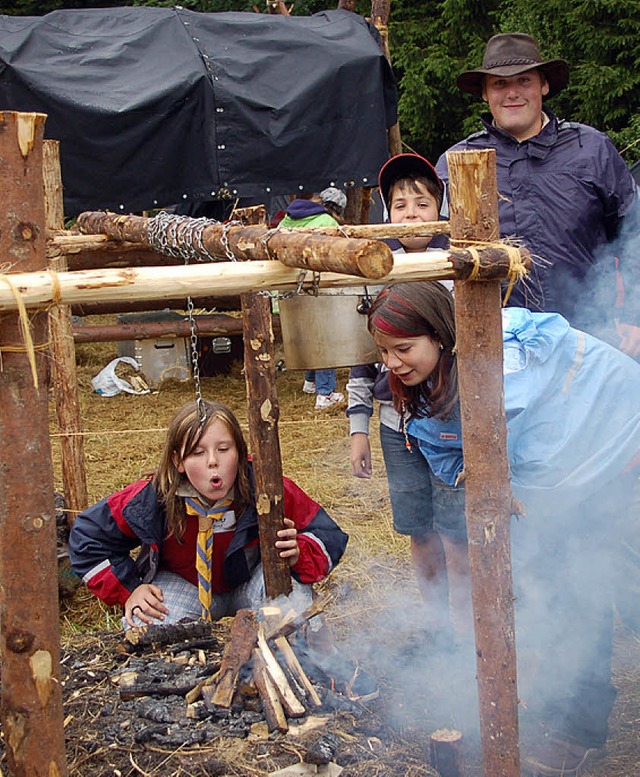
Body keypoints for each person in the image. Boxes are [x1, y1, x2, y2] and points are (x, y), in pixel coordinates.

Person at [367, 279, 640, 775]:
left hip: (621, 444)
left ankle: (574, 723)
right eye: (383, 351)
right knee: (575, 583)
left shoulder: (505, 364)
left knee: (608, 577)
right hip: (575, 471)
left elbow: (534, 452)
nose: (392, 363)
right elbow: (449, 454)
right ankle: (575, 718)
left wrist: (507, 490)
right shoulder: (430, 386)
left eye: (404, 348)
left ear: (442, 336)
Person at [435, 32, 640, 357]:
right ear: (485, 93)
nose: (512, 92)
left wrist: (634, 315)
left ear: (544, 85)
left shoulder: (591, 150)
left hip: (588, 336)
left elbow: (635, 233)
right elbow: (437, 253)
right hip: (496, 345)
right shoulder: (458, 164)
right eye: (500, 84)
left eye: (524, 80)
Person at [69, 399, 348, 629]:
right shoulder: (153, 497)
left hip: (252, 581)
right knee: (146, 628)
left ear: (239, 452)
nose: (213, 461)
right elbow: (88, 537)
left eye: (223, 449)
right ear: (178, 461)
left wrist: (300, 551)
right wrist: (130, 590)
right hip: (183, 583)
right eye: (198, 452)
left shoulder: (266, 488)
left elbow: (327, 534)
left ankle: (316, 674)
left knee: (297, 613)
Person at [347, 153, 463, 640]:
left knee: (458, 531)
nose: (412, 214)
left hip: (450, 423)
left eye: (422, 203)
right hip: (396, 425)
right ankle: (438, 622)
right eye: (400, 205)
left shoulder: (460, 262)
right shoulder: (373, 268)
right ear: (386, 215)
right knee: (419, 528)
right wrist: (358, 429)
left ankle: (467, 626)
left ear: (440, 207)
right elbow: (361, 357)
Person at [280, 189, 347, 409]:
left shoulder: (287, 219)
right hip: (316, 285)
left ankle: (311, 381)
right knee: (323, 336)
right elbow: (339, 254)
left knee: (311, 334)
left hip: (288, 287)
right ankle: (325, 392)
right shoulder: (327, 222)